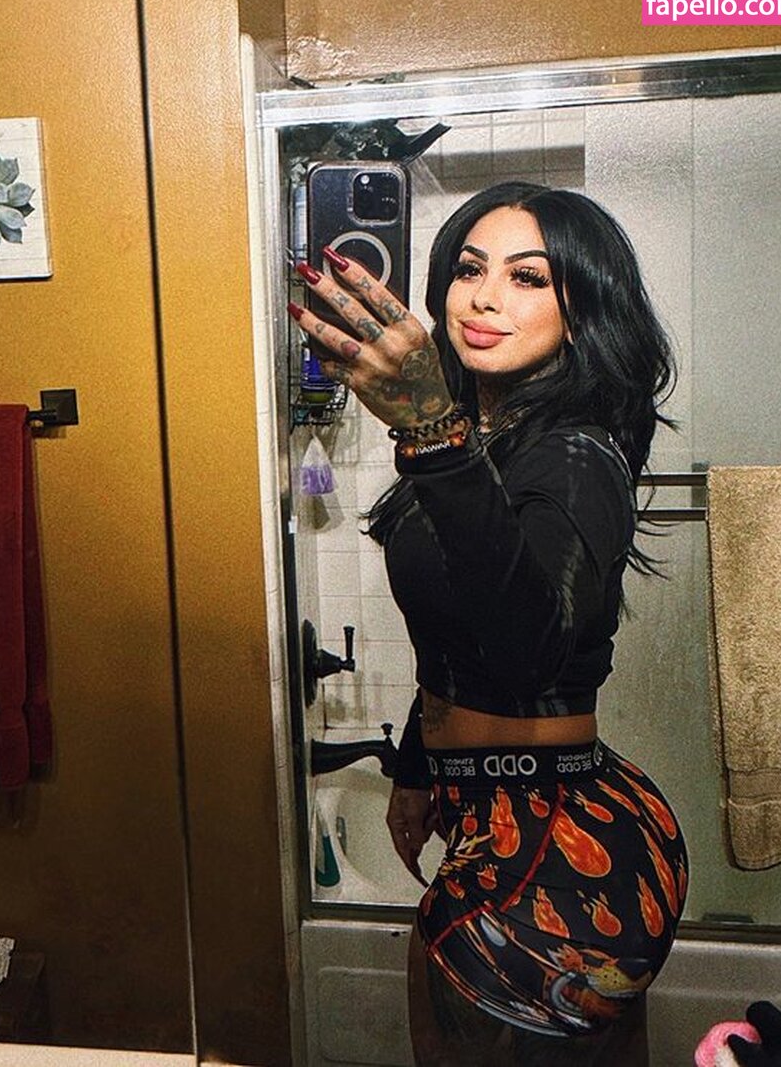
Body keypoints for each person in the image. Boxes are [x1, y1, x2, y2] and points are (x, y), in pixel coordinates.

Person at [288, 181, 687, 1066]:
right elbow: (454, 633)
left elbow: (524, 649)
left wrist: (433, 431)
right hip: (500, 813)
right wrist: (418, 766)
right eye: (470, 269)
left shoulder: (576, 453)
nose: (483, 297)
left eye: (528, 277)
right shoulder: (488, 443)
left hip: (557, 835)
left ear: (583, 313)